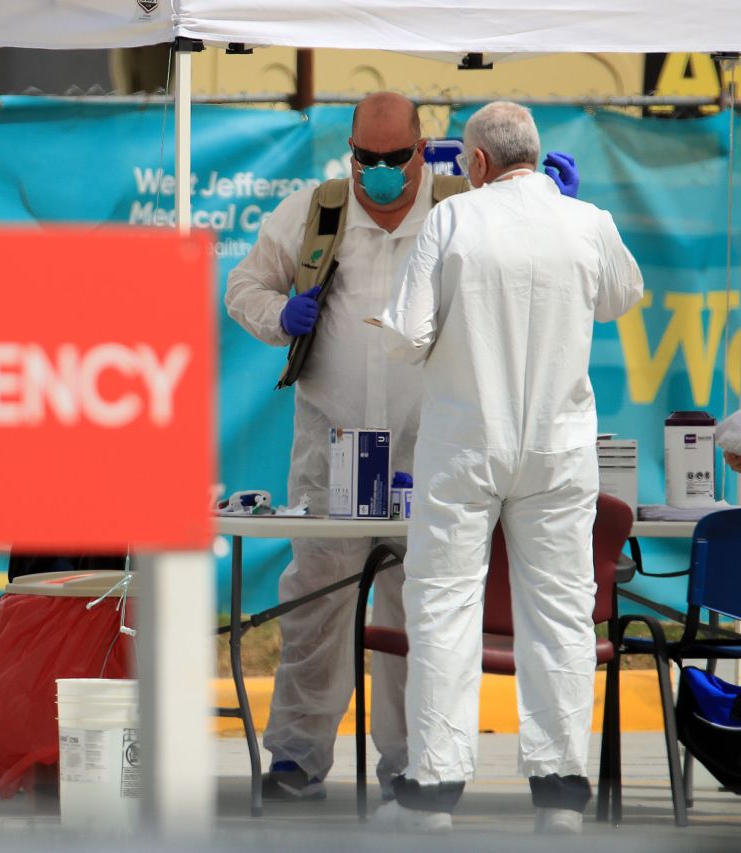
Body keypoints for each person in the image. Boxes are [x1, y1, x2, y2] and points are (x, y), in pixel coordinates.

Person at [224, 92, 579, 801]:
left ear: (423, 148)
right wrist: (278, 315)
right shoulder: (315, 212)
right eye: (365, 158)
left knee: (421, 616)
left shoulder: (461, 210)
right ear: (349, 150)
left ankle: (415, 762)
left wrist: (558, 206)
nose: (379, 173)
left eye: (394, 158)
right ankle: (295, 756)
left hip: (432, 450)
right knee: (314, 611)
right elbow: (242, 287)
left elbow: (542, 261)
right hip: (332, 450)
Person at [373, 101, 643, 834]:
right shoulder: (586, 222)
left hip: (465, 438)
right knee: (560, 610)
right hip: (558, 446)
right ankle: (560, 793)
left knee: (444, 603)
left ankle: (434, 790)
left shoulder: (452, 221)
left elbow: (403, 337)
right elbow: (623, 294)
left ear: (480, 164)